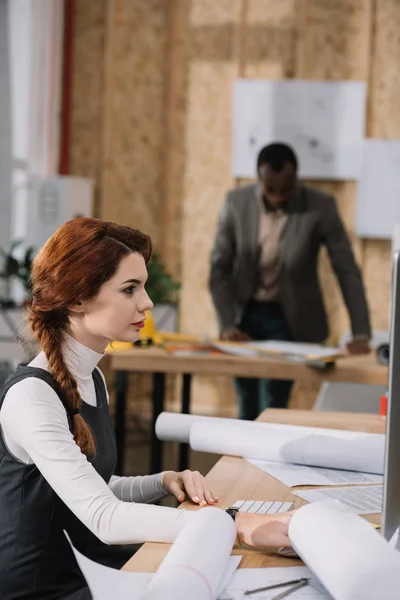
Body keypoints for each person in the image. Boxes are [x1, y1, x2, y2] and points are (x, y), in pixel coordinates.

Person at [0, 217, 293, 600]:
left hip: (91, 574)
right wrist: (235, 523)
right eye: (130, 289)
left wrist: (162, 482)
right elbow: (104, 517)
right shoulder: (32, 397)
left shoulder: (92, 378)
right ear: (76, 298)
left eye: (143, 286)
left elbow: (92, 488)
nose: (147, 302)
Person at [209, 143, 371, 420]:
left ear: (296, 178)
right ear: (259, 180)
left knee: (274, 399)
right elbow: (219, 269)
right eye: (271, 190)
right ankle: (244, 457)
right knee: (246, 396)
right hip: (244, 313)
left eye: (286, 189)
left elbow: (346, 269)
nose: (279, 197)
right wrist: (226, 324)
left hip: (289, 316)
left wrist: (360, 333)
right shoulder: (236, 203)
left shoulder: (320, 206)